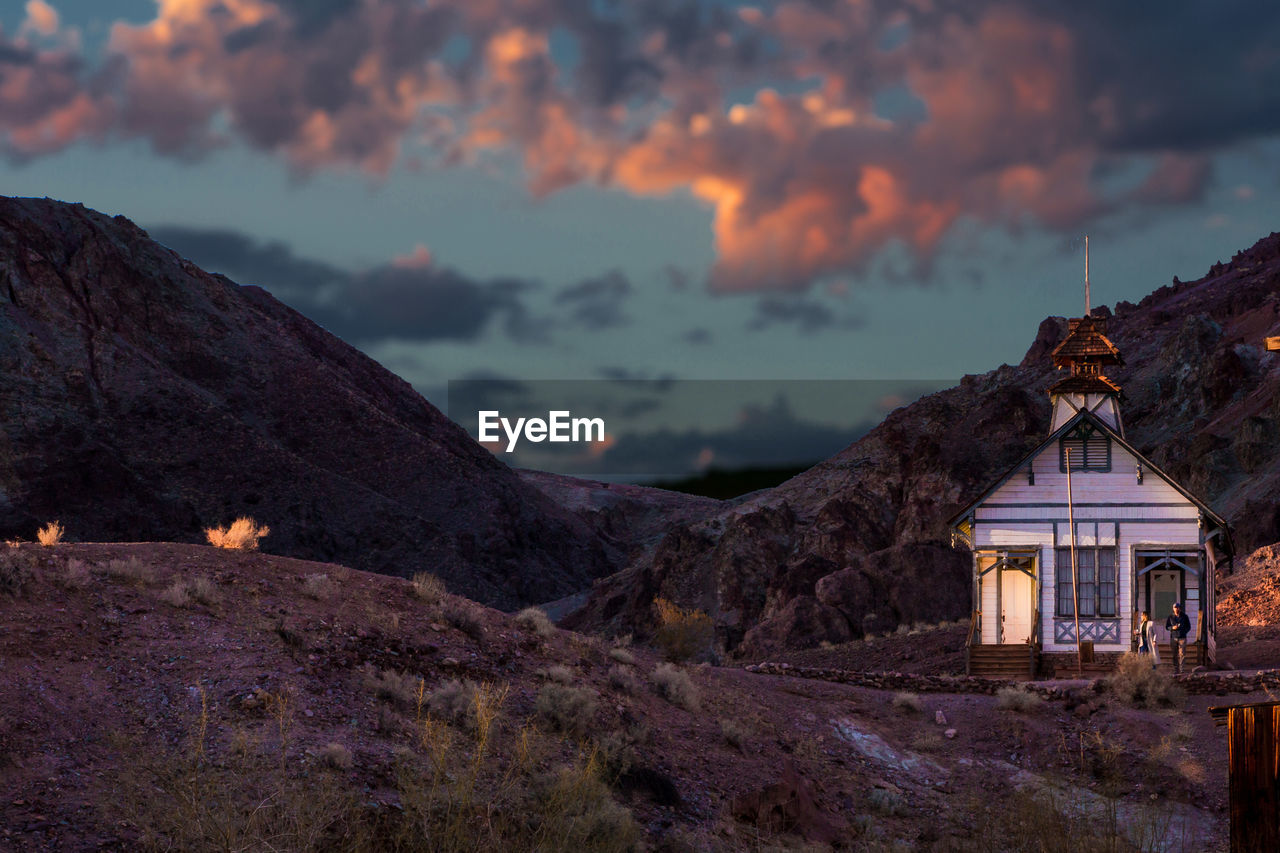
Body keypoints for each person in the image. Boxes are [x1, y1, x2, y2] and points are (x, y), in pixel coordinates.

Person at [1165, 602, 1191, 674]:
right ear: (1173, 609)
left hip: (1182, 637)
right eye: (1175, 608)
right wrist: (1172, 628)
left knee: (1182, 654)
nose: (1176, 609)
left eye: (1178, 607)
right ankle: (1175, 669)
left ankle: (1182, 669)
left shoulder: (1185, 616)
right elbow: (1167, 627)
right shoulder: (1170, 617)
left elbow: (1188, 627)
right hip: (1173, 637)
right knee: (1174, 654)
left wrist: (1184, 632)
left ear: (1180, 608)